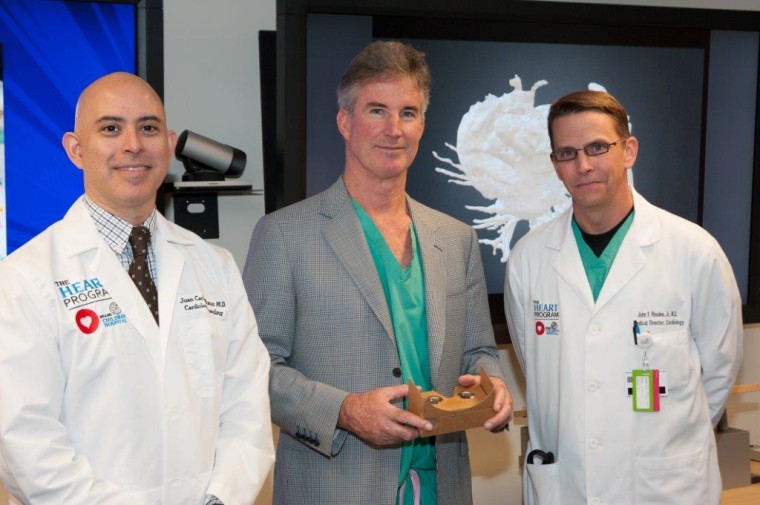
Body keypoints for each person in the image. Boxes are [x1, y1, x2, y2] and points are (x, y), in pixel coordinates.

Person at [243, 40, 512, 505]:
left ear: (423, 125)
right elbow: (254, 370)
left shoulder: (456, 239)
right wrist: (344, 411)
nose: (394, 129)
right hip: (335, 488)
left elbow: (478, 351)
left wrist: (494, 384)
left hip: (440, 487)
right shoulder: (283, 235)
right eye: (376, 111)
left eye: (408, 113)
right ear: (345, 122)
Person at [0, 72, 274, 504]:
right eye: (111, 128)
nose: (133, 144)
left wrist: (221, 498)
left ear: (167, 145)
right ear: (76, 149)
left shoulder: (214, 267)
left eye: (147, 128)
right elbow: (25, 441)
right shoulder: (24, 278)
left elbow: (247, 409)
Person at [504, 90, 743, 505]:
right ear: (555, 165)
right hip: (569, 485)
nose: (583, 165)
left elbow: (718, 375)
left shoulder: (694, 251)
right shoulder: (528, 259)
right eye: (567, 153)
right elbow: (538, 366)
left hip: (664, 487)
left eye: (597, 147)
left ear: (629, 150)